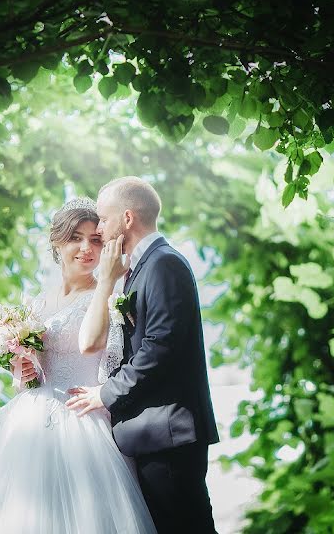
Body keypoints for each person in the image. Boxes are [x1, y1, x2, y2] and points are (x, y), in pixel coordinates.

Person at [0, 197, 157, 534]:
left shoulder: (109, 294)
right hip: (27, 422)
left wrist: (105, 285)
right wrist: (22, 371)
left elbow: (97, 345)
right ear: (57, 243)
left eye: (96, 240)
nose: (86, 248)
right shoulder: (39, 301)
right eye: (76, 237)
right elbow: (33, 372)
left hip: (84, 419)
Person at [66, 177, 220, 533]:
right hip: (152, 434)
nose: (100, 229)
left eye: (104, 220)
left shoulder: (164, 263)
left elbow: (160, 346)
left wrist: (104, 394)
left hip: (168, 433)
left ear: (128, 218)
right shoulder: (141, 267)